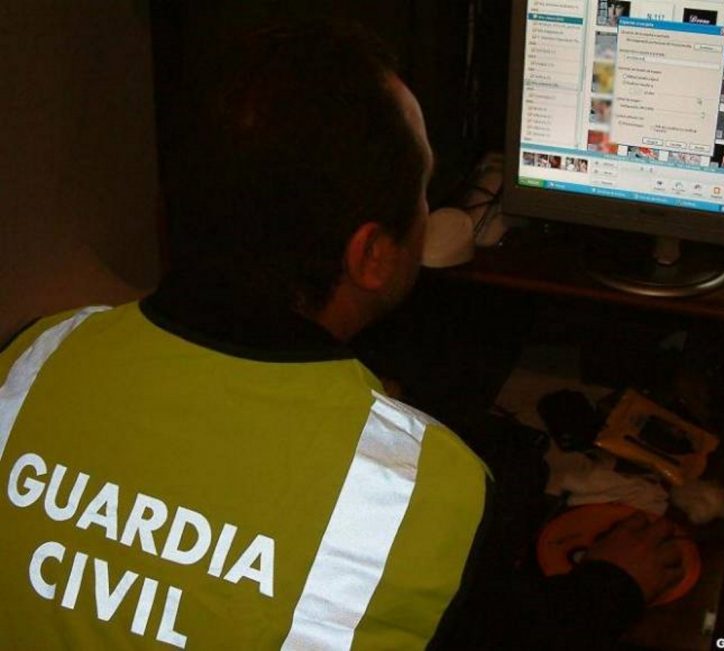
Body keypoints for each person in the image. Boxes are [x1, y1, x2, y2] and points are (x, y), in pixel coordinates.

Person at [0, 18, 682, 650]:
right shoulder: (428, 491)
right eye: (420, 194)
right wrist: (611, 586)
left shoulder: (36, 349)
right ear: (370, 255)